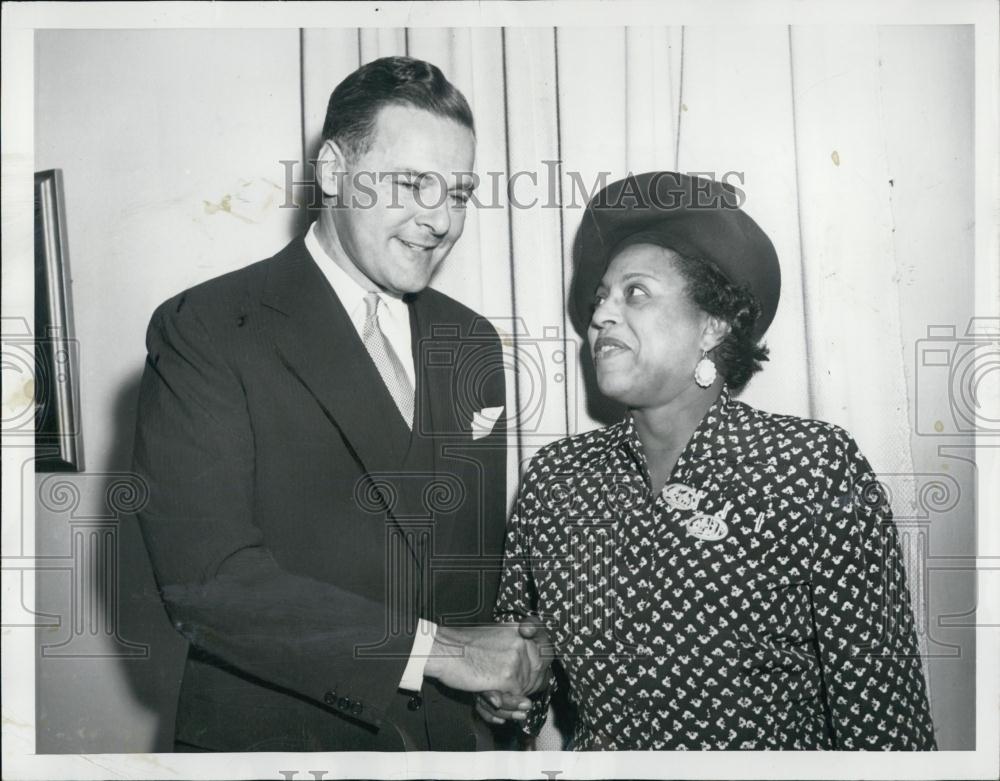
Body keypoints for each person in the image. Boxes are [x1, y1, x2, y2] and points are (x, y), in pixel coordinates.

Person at [133, 56, 547, 752]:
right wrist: (450, 655)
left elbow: (465, 578)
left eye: (459, 192)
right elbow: (208, 581)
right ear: (331, 171)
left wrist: (501, 684)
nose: (441, 220)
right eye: (413, 183)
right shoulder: (207, 326)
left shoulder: (470, 341)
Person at [478, 171, 937, 750]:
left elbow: (885, 724)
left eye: (635, 293)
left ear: (712, 325)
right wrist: (511, 694)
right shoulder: (557, 478)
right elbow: (523, 673)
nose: (600, 316)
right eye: (601, 297)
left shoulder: (810, 469)